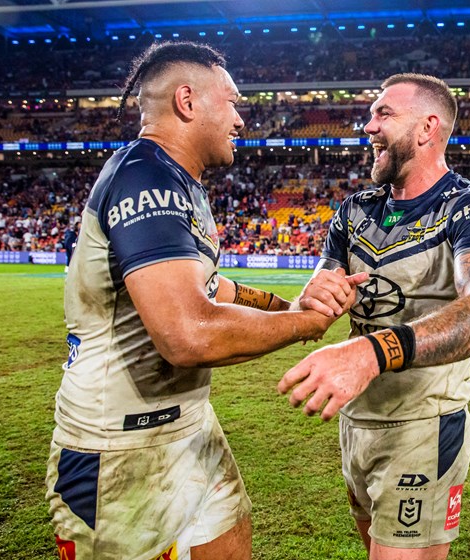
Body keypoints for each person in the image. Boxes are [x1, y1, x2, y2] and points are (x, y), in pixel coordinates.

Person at [45, 41, 367, 560]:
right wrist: (305, 324)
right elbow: (188, 335)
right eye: (233, 103)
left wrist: (288, 305)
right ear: (187, 101)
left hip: (189, 423)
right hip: (119, 445)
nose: (240, 119)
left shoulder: (181, 183)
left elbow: (212, 287)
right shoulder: (143, 175)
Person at [278, 73, 470, 560]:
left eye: (383, 114)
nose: (368, 127)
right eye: (370, 115)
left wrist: (373, 352)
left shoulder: (469, 208)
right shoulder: (354, 210)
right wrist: (315, 297)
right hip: (356, 420)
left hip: (423, 426)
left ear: (427, 128)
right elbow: (315, 299)